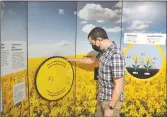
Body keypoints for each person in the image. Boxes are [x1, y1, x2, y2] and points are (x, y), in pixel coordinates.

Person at [67, 27, 125, 117]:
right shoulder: (104, 52)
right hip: (103, 97)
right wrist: (72, 59)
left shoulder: (115, 54)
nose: (92, 46)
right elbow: (92, 60)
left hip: (110, 102)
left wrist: (110, 108)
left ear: (98, 40)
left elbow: (119, 85)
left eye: (92, 43)